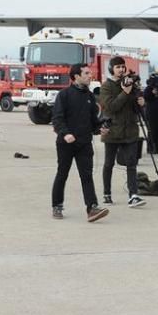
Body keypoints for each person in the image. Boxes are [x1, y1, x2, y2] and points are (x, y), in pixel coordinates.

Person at [51, 63, 110, 222]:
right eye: (86, 73)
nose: (90, 76)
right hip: (66, 143)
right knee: (62, 174)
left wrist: (99, 129)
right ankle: (57, 205)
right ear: (76, 76)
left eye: (90, 73)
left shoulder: (90, 96)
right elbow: (57, 119)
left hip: (84, 143)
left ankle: (92, 208)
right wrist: (65, 133)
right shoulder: (64, 95)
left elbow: (93, 122)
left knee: (87, 176)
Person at [98, 56, 146, 208]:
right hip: (113, 131)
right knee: (109, 164)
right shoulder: (106, 86)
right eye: (118, 67)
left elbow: (135, 109)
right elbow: (111, 107)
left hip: (130, 130)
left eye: (122, 66)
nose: (121, 69)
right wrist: (125, 92)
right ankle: (107, 193)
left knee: (131, 163)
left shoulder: (131, 84)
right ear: (112, 69)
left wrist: (141, 103)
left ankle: (133, 195)